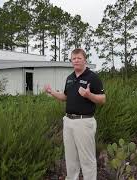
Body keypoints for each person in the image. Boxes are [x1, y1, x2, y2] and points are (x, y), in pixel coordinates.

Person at [44, 48, 105, 180]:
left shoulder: (92, 77)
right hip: (68, 121)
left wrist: (89, 95)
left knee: (87, 159)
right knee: (71, 158)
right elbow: (65, 97)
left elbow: (102, 99)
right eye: (74, 58)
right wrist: (52, 92)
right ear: (71, 61)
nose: (76, 61)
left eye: (79, 58)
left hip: (84, 122)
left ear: (85, 60)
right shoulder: (70, 78)